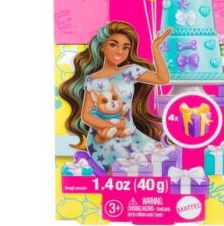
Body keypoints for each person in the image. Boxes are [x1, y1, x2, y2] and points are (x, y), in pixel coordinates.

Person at [59, 20, 171, 173]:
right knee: (124, 172)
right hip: (103, 139)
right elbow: (86, 116)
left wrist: (155, 48)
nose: (120, 51)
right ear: (102, 46)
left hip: (131, 134)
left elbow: (162, 79)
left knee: (163, 157)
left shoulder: (130, 71)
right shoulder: (92, 80)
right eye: (113, 45)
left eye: (125, 47)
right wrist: (111, 126)